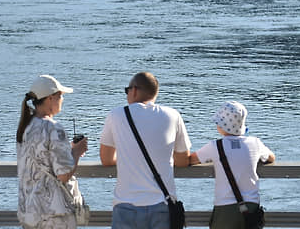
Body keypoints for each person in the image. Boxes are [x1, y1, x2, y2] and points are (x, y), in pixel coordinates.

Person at [99, 71, 192, 229]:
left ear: (134, 90)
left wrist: (128, 159)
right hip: (161, 204)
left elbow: (106, 159)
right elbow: (183, 160)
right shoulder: (173, 115)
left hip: (126, 205)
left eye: (127, 90)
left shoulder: (116, 115)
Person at [17, 75, 89, 229]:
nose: (62, 100)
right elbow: (63, 174)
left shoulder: (27, 127)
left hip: (30, 212)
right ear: (50, 98)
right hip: (54, 216)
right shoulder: (53, 128)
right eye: (60, 96)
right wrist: (76, 152)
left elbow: (43, 158)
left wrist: (67, 151)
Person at [189, 101, 276, 229]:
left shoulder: (215, 146)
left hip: (225, 208)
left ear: (221, 126)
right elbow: (271, 157)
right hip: (251, 207)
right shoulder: (255, 143)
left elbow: (190, 160)